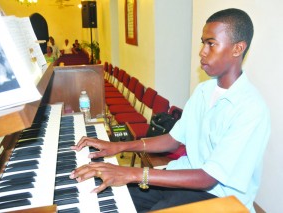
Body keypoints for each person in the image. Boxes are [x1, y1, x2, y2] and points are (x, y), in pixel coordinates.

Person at [70, 8, 271, 213]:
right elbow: (173, 139)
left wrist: (134, 173)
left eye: (211, 44)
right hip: (184, 177)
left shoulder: (250, 109)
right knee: (106, 195)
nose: (202, 51)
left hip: (219, 198)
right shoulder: (204, 90)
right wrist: (120, 147)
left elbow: (208, 178)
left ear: (237, 49)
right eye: (203, 42)